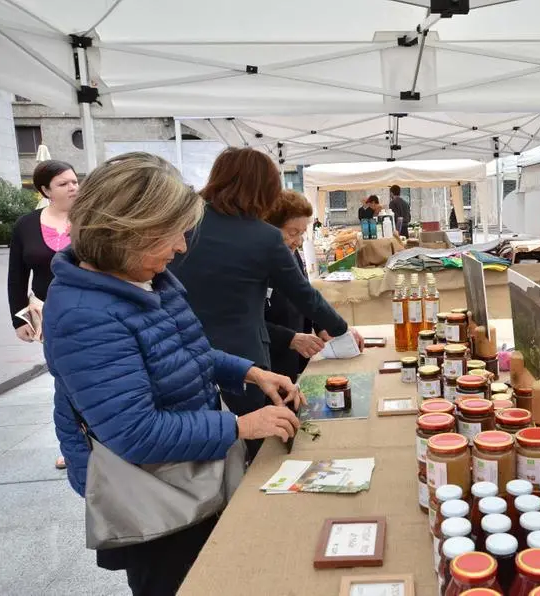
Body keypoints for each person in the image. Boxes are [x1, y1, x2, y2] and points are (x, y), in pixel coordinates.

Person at [43, 152, 302, 595]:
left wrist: (251, 372)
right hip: (151, 498)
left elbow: (188, 351)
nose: (181, 247)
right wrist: (240, 425)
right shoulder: (85, 315)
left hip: (186, 474)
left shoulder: (146, 278)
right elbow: (135, 433)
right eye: (172, 235)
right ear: (128, 232)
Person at [169, 147, 360, 458]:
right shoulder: (263, 236)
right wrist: (341, 329)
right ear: (265, 190)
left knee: (202, 437)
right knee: (268, 442)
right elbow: (304, 295)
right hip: (243, 354)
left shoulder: (184, 224)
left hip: (181, 347)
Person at [7, 159, 78, 470]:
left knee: (93, 375)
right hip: (49, 315)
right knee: (63, 379)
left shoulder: (90, 219)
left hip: (89, 310)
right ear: (45, 190)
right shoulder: (26, 225)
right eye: (63, 184)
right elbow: (16, 276)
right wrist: (18, 319)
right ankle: (72, 445)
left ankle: (100, 438)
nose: (73, 187)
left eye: (75, 181)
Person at [265, 190, 325, 381]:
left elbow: (303, 294)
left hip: (294, 363)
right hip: (267, 367)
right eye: (293, 233)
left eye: (302, 234)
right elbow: (247, 322)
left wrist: (321, 325)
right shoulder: (254, 263)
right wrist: (290, 338)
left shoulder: (291, 253)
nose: (298, 241)